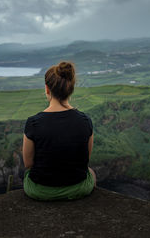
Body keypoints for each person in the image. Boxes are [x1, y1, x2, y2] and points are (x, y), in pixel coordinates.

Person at [22, 61, 96, 201]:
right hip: (78, 188)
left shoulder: (33, 123)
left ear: (47, 89)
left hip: (41, 191)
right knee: (91, 172)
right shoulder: (85, 121)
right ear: (71, 88)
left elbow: (28, 164)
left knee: (28, 175)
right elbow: (85, 159)